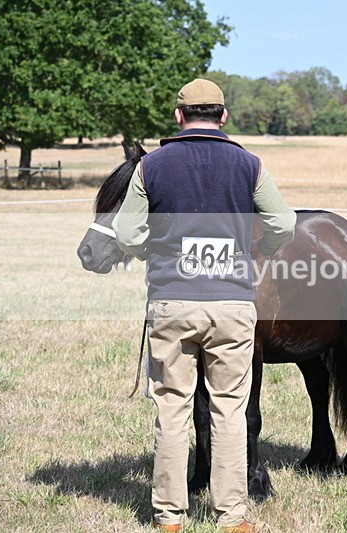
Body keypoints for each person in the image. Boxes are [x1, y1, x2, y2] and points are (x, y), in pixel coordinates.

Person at [113, 78, 296, 532]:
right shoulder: (249, 164)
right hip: (232, 303)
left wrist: (153, 250)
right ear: (223, 116)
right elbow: (285, 224)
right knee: (229, 410)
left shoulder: (151, 166)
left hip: (173, 303)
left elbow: (126, 234)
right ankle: (232, 516)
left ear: (179, 117)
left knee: (172, 409)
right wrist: (259, 246)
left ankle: (169, 517)